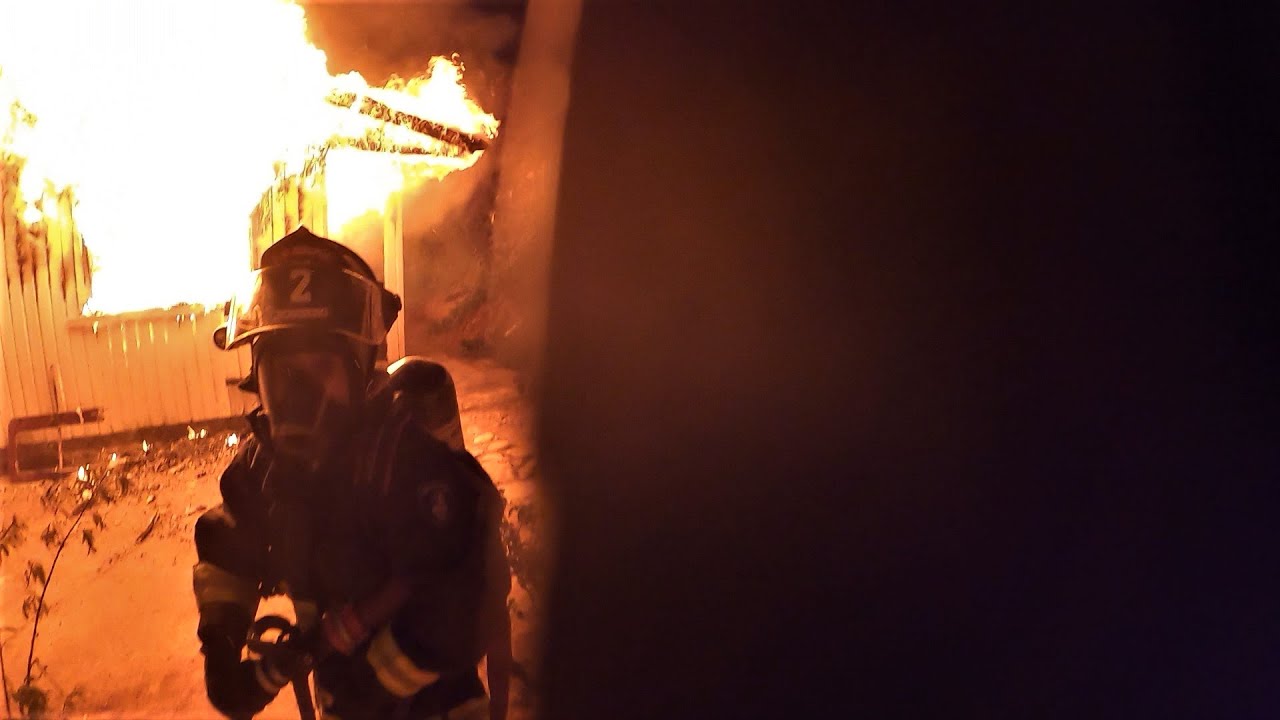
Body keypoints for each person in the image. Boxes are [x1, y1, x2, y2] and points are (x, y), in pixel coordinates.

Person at [191, 226, 512, 720]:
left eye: (319, 369)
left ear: (360, 372)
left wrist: (376, 680)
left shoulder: (405, 465)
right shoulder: (263, 465)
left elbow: (468, 592)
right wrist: (220, 643)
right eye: (282, 372)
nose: (298, 395)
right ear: (257, 377)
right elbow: (229, 543)